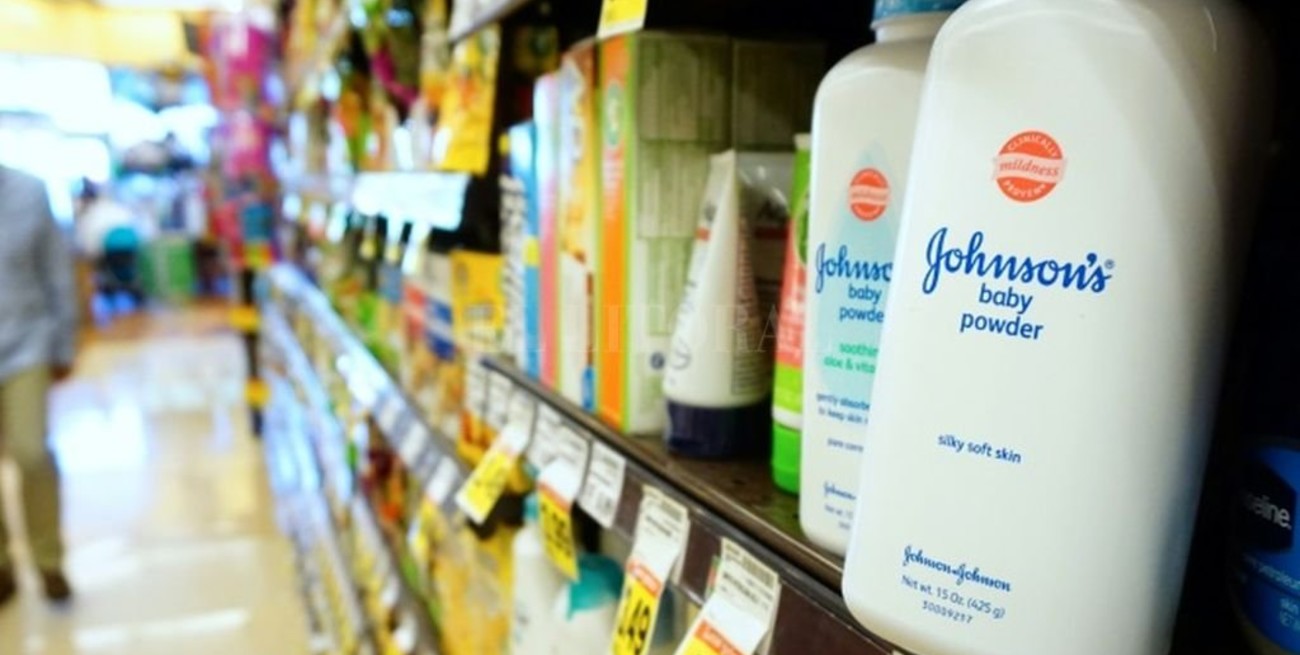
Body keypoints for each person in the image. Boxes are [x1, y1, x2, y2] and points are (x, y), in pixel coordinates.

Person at [0, 165, 77, 604]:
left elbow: (56, 270)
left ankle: (48, 560)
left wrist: (64, 342)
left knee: (30, 452)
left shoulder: (29, 192)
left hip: (26, 342)